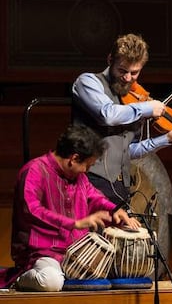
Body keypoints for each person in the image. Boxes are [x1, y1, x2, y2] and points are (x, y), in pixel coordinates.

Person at [1, 124, 140, 291]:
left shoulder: (79, 177)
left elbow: (94, 196)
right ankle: (17, 279)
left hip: (76, 250)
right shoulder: (34, 171)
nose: (87, 171)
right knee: (51, 282)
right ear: (73, 159)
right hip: (42, 251)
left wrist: (114, 210)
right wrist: (76, 223)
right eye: (87, 165)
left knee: (118, 274)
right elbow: (32, 209)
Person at [71, 33, 172, 205]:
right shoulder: (88, 82)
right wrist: (147, 108)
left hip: (121, 186)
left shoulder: (130, 100)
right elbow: (108, 115)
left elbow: (128, 151)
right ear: (109, 60)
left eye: (134, 72)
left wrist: (167, 138)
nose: (127, 78)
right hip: (89, 182)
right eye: (122, 70)